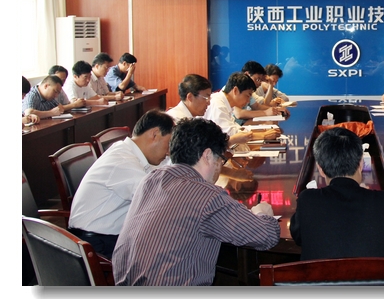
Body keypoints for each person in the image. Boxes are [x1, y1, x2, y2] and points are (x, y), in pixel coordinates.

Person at [112, 118, 280, 285]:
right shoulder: (207, 196)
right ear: (207, 155)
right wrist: (261, 212)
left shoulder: (151, 180)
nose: (220, 166)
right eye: (221, 159)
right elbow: (267, 235)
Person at [290, 127, 384, 260]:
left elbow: (298, 236)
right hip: (376, 277)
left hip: (320, 277)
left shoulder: (307, 201)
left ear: (320, 169)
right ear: (361, 163)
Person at [68, 110, 175, 259]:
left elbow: (164, 174)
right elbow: (157, 197)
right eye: (169, 144)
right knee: (170, 248)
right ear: (154, 134)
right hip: (95, 243)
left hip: (108, 235)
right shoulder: (122, 161)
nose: (169, 152)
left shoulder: (130, 151)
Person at [204, 72, 280, 143]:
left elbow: (236, 128)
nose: (248, 101)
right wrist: (263, 135)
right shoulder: (218, 104)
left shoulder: (227, 104)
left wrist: (260, 133)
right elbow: (230, 134)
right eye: (247, 96)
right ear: (235, 90)